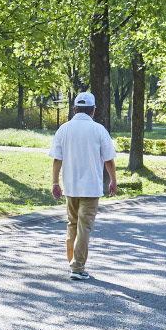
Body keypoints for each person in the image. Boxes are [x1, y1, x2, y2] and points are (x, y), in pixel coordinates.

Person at [48, 90, 118, 280]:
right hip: (91, 188)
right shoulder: (99, 130)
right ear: (93, 111)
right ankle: (77, 268)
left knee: (72, 224)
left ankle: (73, 262)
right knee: (84, 227)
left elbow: (57, 159)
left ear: (74, 110)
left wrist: (55, 182)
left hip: (70, 186)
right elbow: (109, 160)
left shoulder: (64, 129)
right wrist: (113, 180)